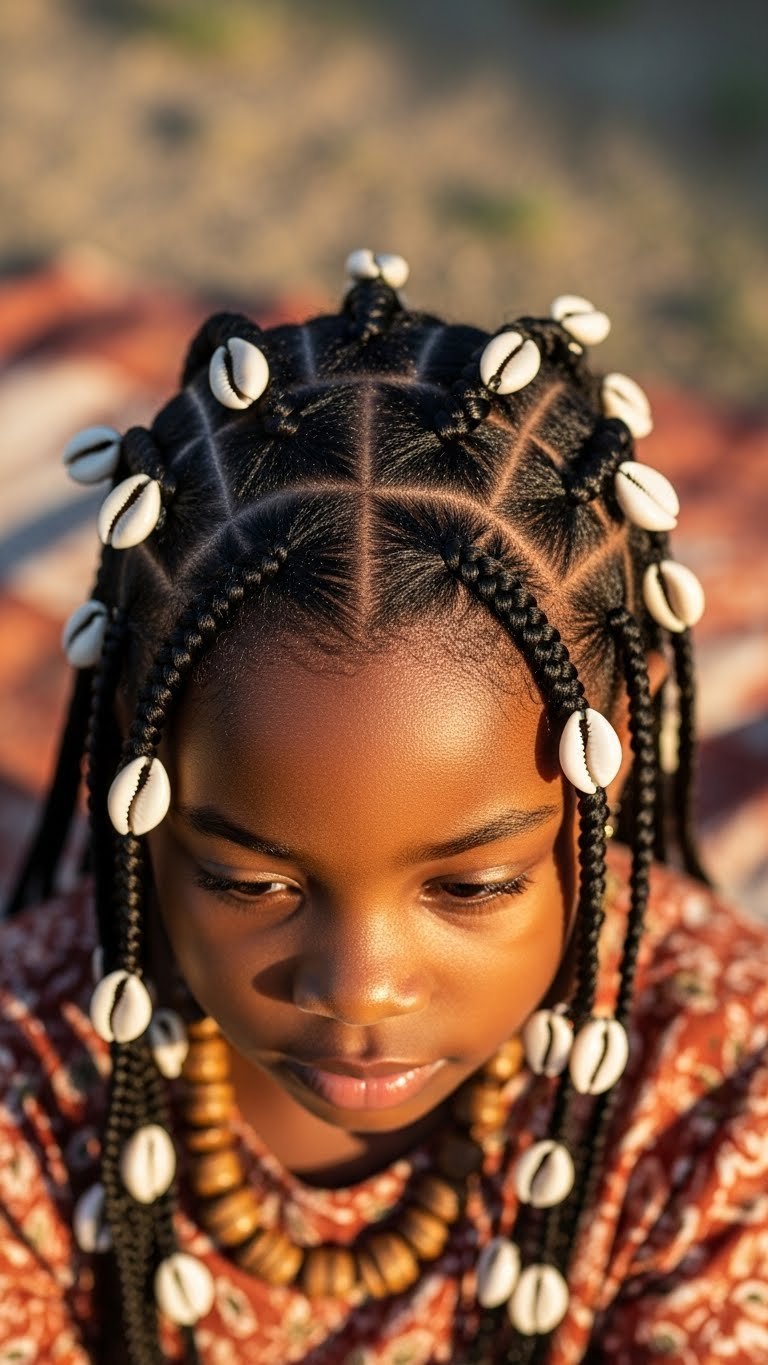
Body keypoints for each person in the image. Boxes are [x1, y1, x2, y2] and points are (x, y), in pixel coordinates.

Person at [3, 250, 767, 1365]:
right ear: (136, 764)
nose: (358, 984)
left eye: (471, 885)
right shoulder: (34, 1076)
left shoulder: (720, 1094)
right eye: (253, 881)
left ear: (610, 755)